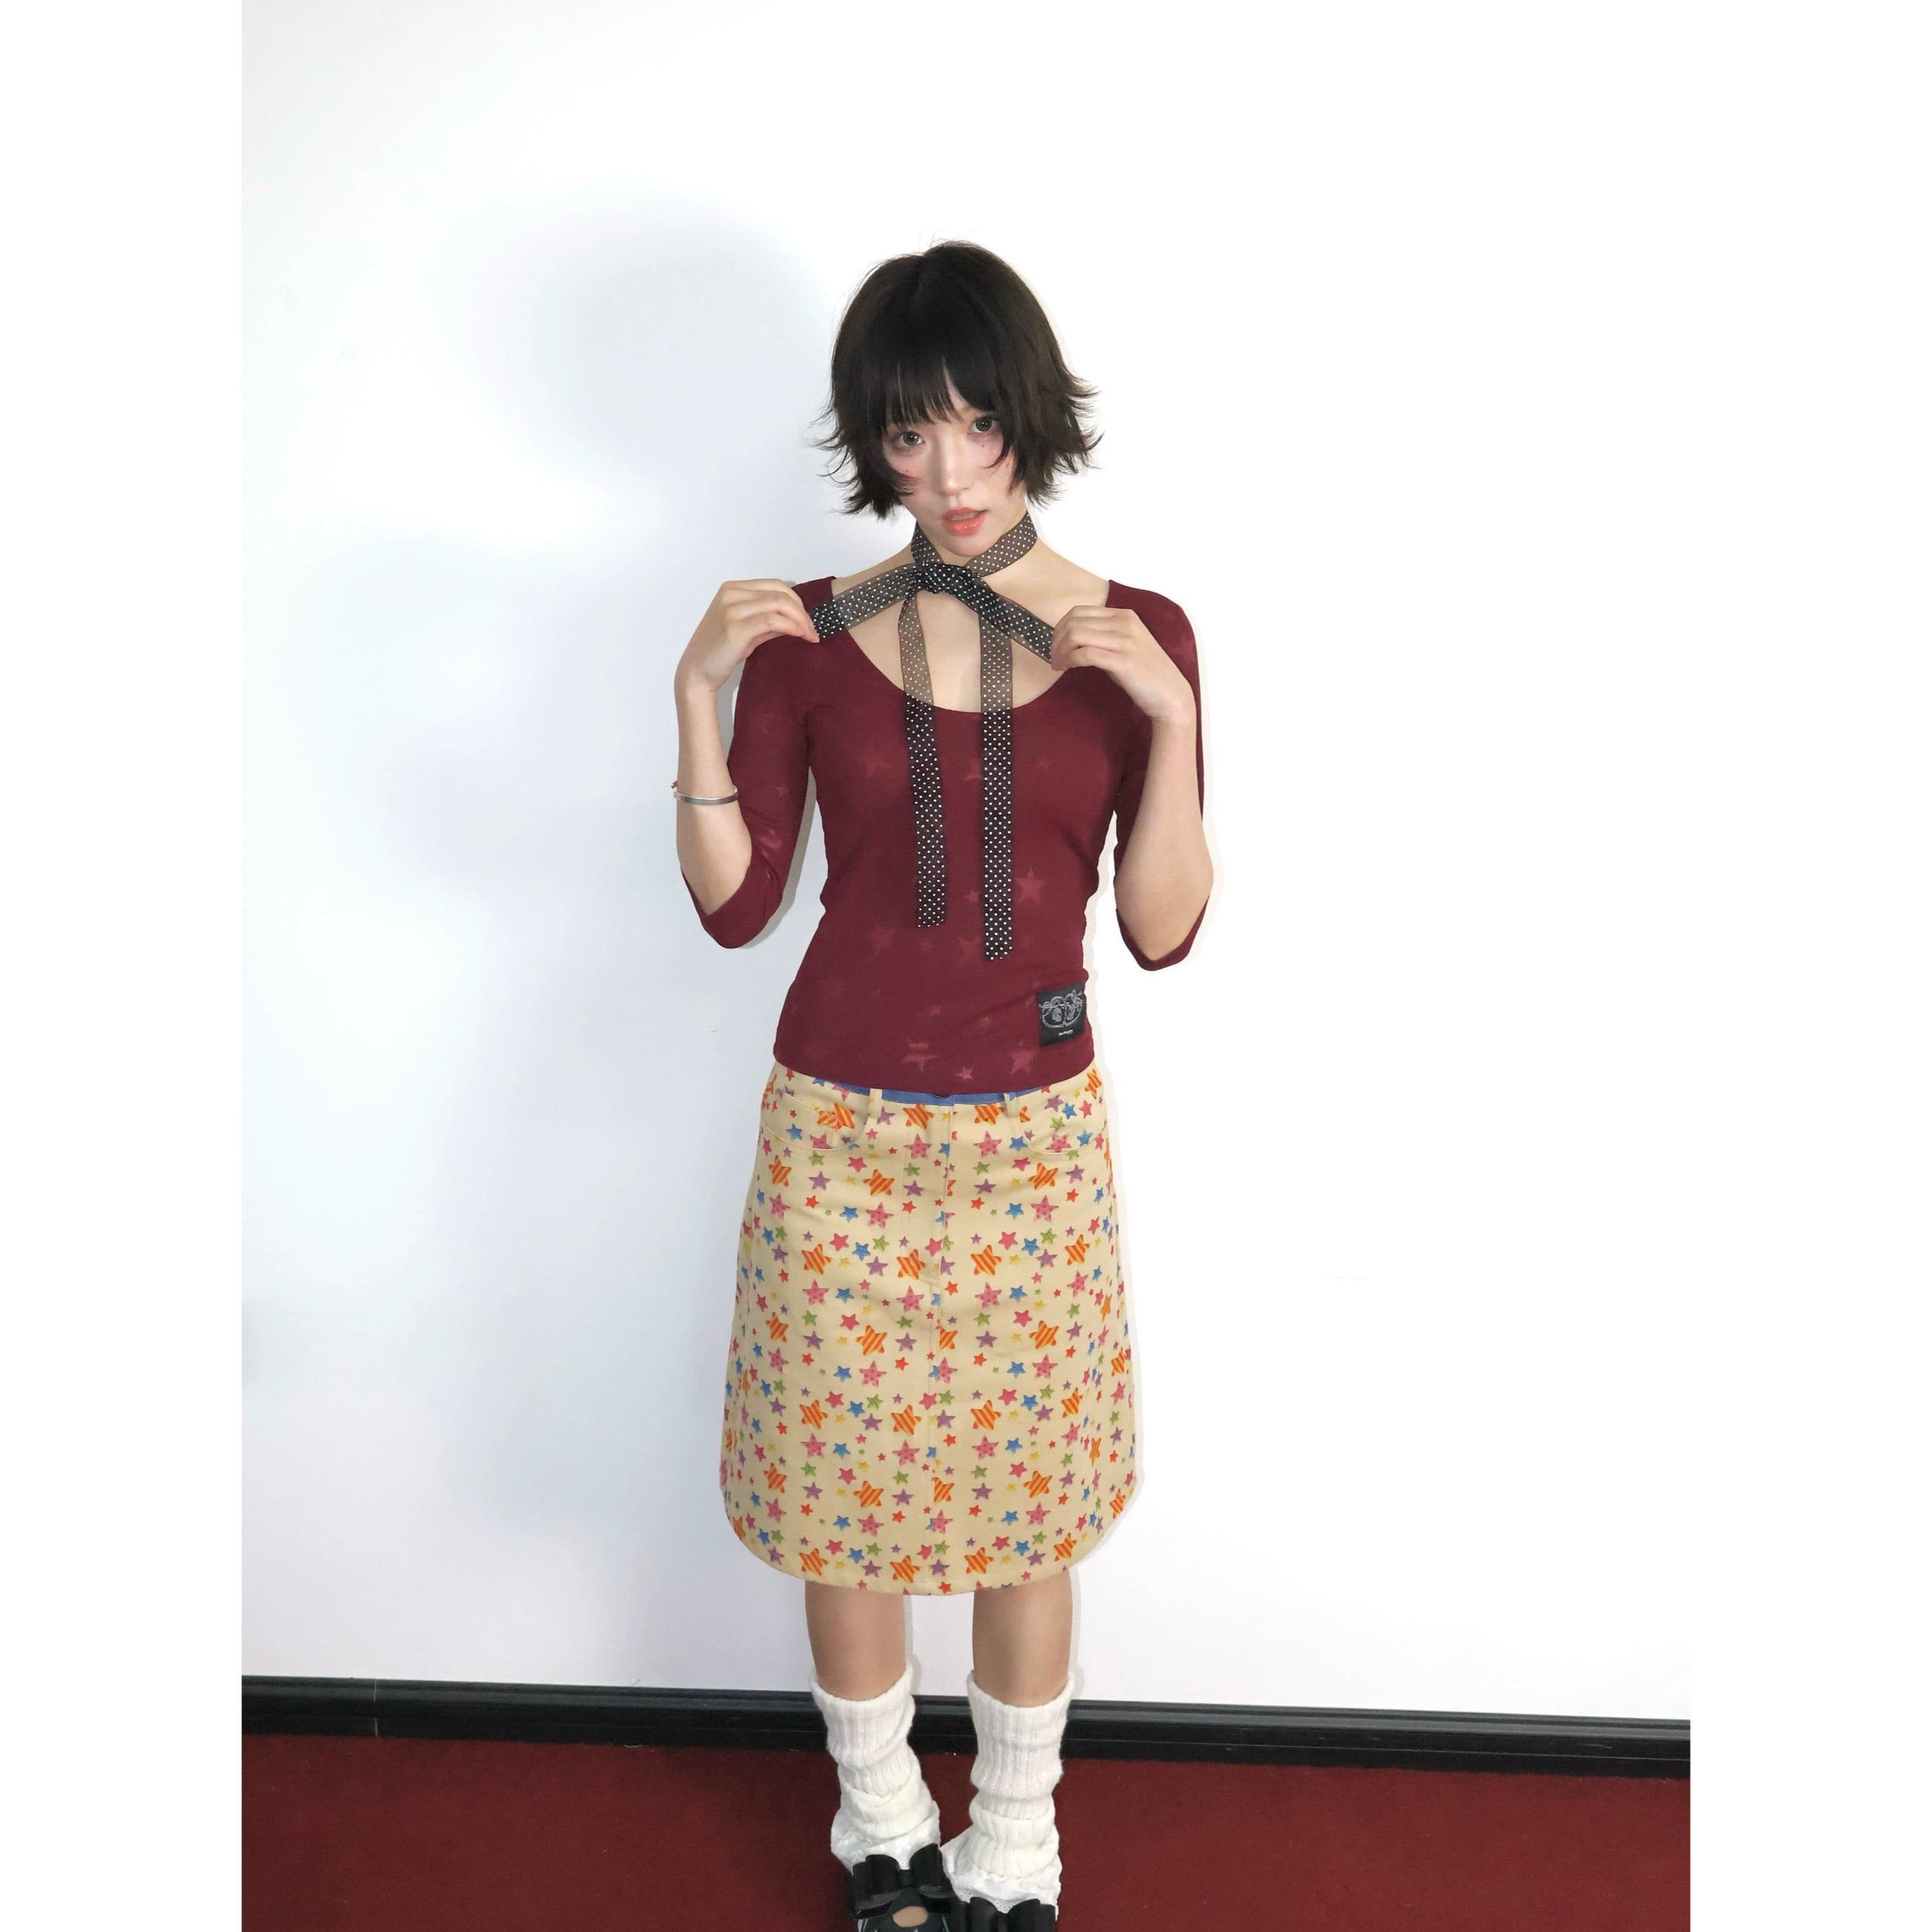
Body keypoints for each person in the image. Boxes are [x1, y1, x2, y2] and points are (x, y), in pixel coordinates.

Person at [672, 241, 1211, 1931]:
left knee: (1026, 1510)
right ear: (872, 445)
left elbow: (1163, 928)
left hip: (1034, 1136)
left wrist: (1172, 725)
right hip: (838, 1127)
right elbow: (737, 907)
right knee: (843, 1503)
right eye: (909, 436)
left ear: (1031, 414)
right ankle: (882, 1821)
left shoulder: (1141, 636)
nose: (951, 473)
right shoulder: (806, 639)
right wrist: (696, 696)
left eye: (978, 424)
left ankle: (1019, 1842)